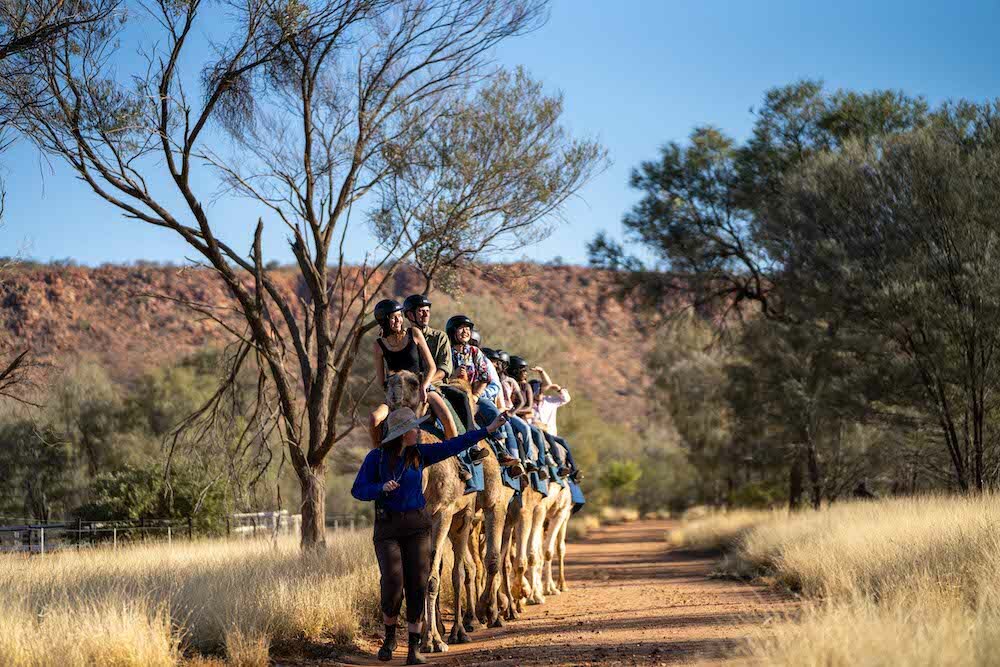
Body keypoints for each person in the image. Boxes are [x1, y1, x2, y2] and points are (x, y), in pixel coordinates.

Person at [352, 406, 512, 664]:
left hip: (417, 526)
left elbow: (454, 445)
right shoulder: (376, 458)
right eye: (414, 428)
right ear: (402, 434)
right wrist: (380, 488)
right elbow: (358, 490)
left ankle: (414, 648)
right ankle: (390, 636)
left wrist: (488, 429)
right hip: (388, 527)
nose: (418, 431)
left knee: (417, 584)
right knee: (392, 583)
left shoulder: (421, 455)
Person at [369, 299, 477, 460]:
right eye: (393, 317)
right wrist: (393, 394)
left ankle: (458, 461)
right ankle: (378, 457)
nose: (398, 320)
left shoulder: (414, 333)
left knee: (447, 419)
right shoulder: (379, 345)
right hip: (397, 393)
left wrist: (424, 386)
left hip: (420, 386)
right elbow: (381, 381)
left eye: (399, 316)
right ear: (384, 321)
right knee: (374, 418)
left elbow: (432, 367)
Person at [447, 315, 523, 472]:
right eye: (461, 328)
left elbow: (484, 377)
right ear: (453, 331)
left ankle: (501, 449)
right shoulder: (446, 350)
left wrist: (475, 396)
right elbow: (440, 371)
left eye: (468, 329)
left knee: (493, 412)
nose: (465, 331)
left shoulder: (475, 352)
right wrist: (453, 375)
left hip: (474, 393)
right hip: (450, 392)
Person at [486, 347, 539, 473]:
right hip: (495, 409)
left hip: (507, 411)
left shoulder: (511, 382)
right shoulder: (490, 378)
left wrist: (511, 413)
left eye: (499, 363)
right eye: (495, 362)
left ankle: (528, 459)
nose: (497, 365)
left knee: (526, 429)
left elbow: (521, 402)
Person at [530, 366, 582, 480]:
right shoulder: (528, 404)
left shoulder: (549, 400)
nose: (540, 393)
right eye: (536, 391)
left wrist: (558, 388)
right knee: (549, 439)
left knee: (563, 441)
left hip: (550, 433)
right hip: (537, 433)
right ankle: (559, 465)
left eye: (541, 390)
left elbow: (566, 398)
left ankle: (573, 470)